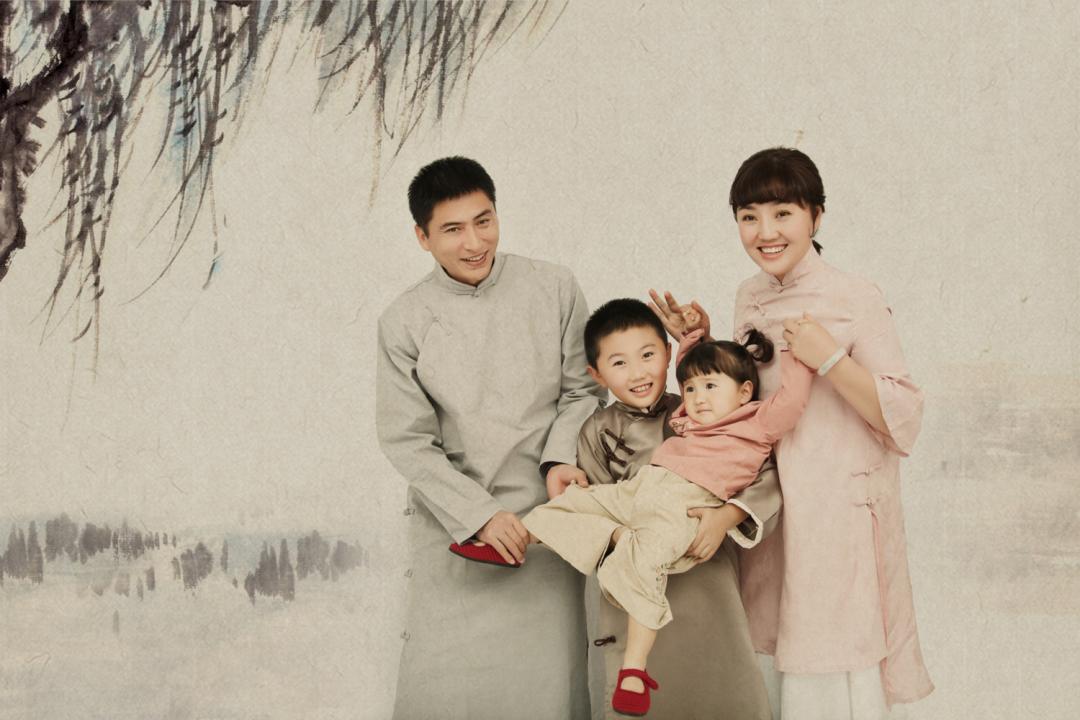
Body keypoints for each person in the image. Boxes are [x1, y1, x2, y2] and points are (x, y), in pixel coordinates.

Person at [651, 147, 933, 719]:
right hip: (772, 506)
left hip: (837, 506)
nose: (766, 232)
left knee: (832, 654)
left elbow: (902, 414)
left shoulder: (855, 296)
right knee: (771, 647)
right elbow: (746, 401)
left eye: (783, 213)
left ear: (816, 216)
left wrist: (830, 359)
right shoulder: (749, 296)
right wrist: (700, 343)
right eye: (749, 216)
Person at [456, 300, 812, 717]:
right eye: (619, 363)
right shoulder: (598, 429)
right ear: (597, 374)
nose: (638, 373)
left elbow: (760, 460)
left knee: (716, 689)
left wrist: (725, 516)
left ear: (666, 354)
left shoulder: (698, 410)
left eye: (648, 355)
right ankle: (517, 541)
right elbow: (595, 510)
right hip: (632, 560)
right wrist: (616, 533)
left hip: (702, 564)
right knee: (576, 508)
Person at [376, 156, 604, 719]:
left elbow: (582, 391)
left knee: (547, 691)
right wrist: (478, 514)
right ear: (422, 237)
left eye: (484, 221)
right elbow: (407, 440)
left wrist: (558, 462)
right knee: (448, 694)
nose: (475, 242)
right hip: (456, 531)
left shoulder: (554, 287)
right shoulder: (403, 321)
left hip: (545, 528)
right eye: (453, 229)